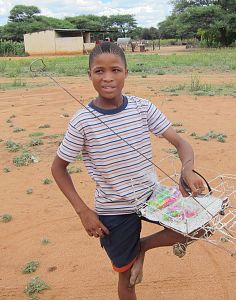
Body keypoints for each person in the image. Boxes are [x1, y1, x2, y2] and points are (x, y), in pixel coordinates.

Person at [51, 41, 205, 300]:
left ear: (126, 72)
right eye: (99, 71)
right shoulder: (82, 122)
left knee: (204, 225)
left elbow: (181, 143)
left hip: (152, 196)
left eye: (116, 70)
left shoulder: (142, 108)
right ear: (89, 75)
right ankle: (133, 253)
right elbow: (58, 169)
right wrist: (84, 211)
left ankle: (142, 247)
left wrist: (187, 170)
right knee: (127, 279)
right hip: (114, 209)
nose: (108, 78)